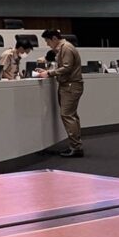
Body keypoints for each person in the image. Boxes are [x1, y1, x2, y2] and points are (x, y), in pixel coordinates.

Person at [36, 29, 84, 157]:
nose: (47, 44)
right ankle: (75, 145)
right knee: (71, 115)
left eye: (47, 41)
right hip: (69, 85)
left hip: (70, 85)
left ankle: (76, 147)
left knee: (67, 115)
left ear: (54, 38)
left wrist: (49, 73)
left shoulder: (66, 48)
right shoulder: (64, 48)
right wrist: (47, 71)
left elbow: (67, 68)